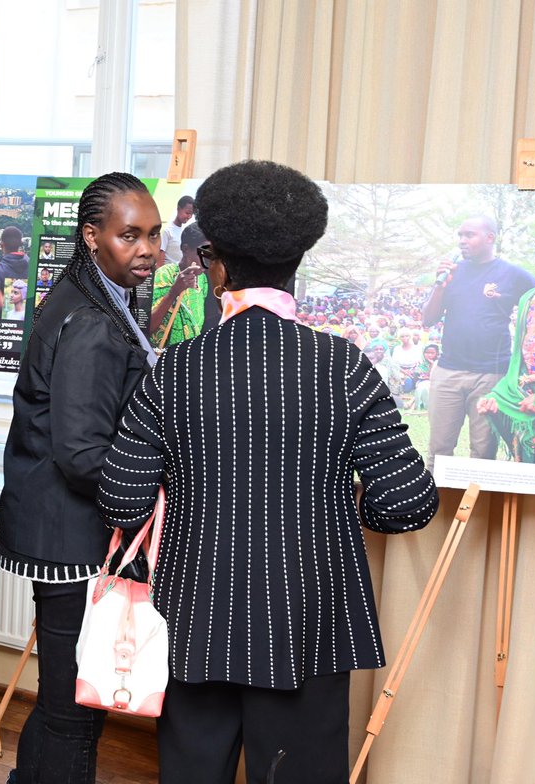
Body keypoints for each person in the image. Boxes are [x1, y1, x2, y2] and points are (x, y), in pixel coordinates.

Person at [97, 160, 439, 784]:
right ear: (298, 261)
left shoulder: (173, 371)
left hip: (196, 618)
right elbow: (408, 503)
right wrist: (340, 503)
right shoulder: (345, 366)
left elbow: (121, 501)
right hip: (309, 621)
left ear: (215, 261)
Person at [0, 172, 161, 784]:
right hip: (69, 532)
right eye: (129, 236)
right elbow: (81, 451)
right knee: (73, 708)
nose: (146, 249)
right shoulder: (91, 319)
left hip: (60, 526)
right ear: (92, 237)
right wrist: (152, 488)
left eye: (153, 235)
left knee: (67, 697)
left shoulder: (93, 296)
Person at [421, 215, 535, 469]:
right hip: (448, 372)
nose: (462, 241)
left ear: (490, 238)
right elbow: (427, 320)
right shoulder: (452, 273)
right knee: (439, 450)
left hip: (491, 376)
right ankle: (434, 506)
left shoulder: (512, 274)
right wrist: (440, 284)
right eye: (460, 235)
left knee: (483, 452)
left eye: (469, 235)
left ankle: (479, 508)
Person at [478, 230, 535, 464]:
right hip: (529, 399)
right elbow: (519, 361)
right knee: (531, 480)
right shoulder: (529, 299)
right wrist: (497, 395)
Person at [149, 222, 215, 347]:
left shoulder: (203, 281)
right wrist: (174, 291)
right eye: (203, 252)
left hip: (188, 355)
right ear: (185, 249)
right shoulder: (166, 275)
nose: (207, 259)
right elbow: (149, 326)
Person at [162, 194, 195, 265]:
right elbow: (159, 263)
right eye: (187, 213)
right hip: (168, 274)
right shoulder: (167, 231)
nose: (189, 216)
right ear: (178, 209)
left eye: (191, 214)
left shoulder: (184, 232)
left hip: (180, 274)